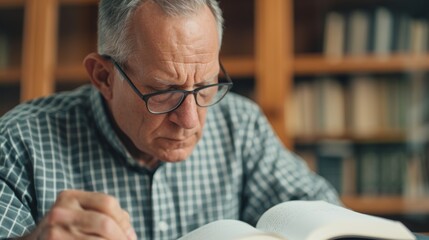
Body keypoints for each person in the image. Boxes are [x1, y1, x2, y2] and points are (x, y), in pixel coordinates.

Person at [0, 0, 340, 239]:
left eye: (206, 86)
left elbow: (324, 214)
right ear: (104, 77)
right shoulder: (20, 143)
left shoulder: (240, 126)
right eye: (164, 91)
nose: (190, 120)